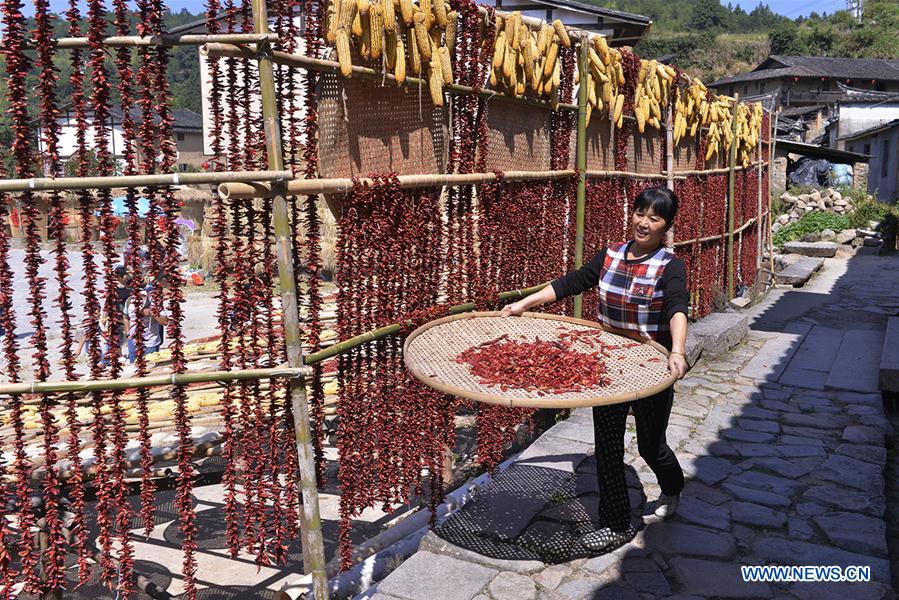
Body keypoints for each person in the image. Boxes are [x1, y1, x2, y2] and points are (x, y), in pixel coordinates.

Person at [501, 186, 689, 554]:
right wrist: (524, 303)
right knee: (606, 445)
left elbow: (677, 308)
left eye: (654, 217)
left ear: (666, 225)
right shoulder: (610, 256)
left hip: (650, 366)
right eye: (639, 213)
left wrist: (677, 351)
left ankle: (672, 487)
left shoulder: (670, 266)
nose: (643, 222)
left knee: (652, 446)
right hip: (608, 364)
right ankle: (616, 523)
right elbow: (569, 284)